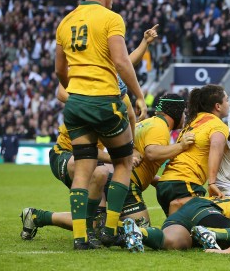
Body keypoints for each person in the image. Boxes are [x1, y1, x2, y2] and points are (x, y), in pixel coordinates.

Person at [19, 94, 189, 249]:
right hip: (90, 164)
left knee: (95, 219)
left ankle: (38, 217)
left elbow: (138, 157)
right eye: (184, 113)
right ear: (176, 113)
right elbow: (150, 153)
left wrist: (156, 179)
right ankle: (105, 231)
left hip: (112, 173)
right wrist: (181, 146)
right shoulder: (158, 126)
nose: (185, 117)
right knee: (140, 229)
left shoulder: (142, 121)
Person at [54, 0, 147, 249]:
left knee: (83, 170)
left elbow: (59, 70)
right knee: (123, 162)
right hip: (104, 101)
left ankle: (80, 238)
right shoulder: (111, 19)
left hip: (76, 104)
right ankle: (109, 230)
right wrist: (138, 95)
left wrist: (75, 90)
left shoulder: (66, 21)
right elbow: (121, 61)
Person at [157, 85, 230, 215]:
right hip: (185, 183)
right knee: (207, 221)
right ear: (218, 106)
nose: (229, 104)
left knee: (178, 226)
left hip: (165, 183)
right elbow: (215, 146)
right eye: (227, 100)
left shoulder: (192, 122)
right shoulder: (218, 125)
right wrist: (212, 182)